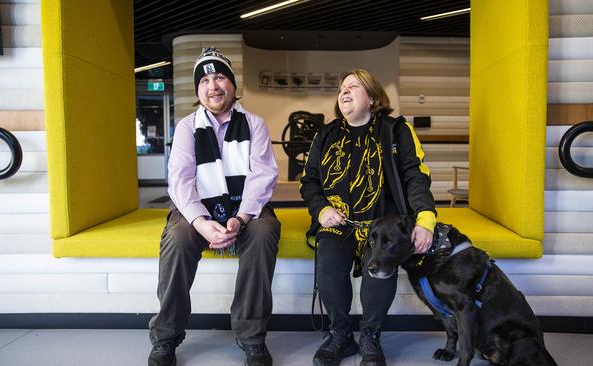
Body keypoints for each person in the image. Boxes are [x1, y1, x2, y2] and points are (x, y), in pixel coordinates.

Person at [148, 48, 280, 366]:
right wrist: (201, 222)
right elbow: (180, 181)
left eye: (219, 76)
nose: (213, 86)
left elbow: (263, 175)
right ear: (198, 90)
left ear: (232, 84)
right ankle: (166, 337)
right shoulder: (187, 127)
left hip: (246, 207)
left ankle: (252, 338)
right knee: (177, 238)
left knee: (263, 233)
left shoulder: (255, 124)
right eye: (205, 80)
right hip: (197, 208)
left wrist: (241, 217)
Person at [300, 69, 436, 366]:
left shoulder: (396, 130)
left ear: (373, 98)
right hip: (338, 221)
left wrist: (425, 219)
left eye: (353, 87)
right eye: (342, 88)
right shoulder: (326, 134)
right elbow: (308, 181)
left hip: (382, 222)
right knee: (330, 266)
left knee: (381, 265)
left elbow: (415, 176)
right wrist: (322, 210)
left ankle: (370, 336)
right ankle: (340, 335)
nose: (344, 92)